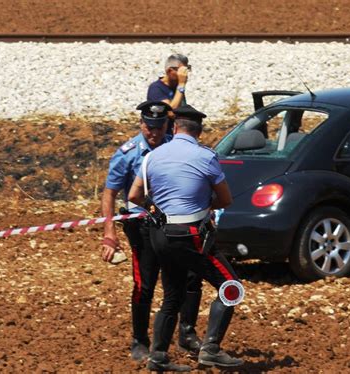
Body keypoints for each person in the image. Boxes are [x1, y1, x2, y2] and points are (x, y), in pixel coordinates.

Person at [129, 105, 245, 371]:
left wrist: (154, 206)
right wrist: (203, 202)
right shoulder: (206, 157)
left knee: (172, 296)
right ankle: (212, 349)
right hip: (191, 235)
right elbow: (225, 199)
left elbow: (134, 197)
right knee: (231, 287)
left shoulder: (152, 157)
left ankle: (157, 356)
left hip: (161, 236)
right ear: (199, 131)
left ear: (173, 128)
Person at [101, 100, 202, 362]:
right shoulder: (128, 153)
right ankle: (139, 340)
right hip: (142, 226)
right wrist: (109, 232)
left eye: (159, 127)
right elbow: (110, 193)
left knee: (189, 278)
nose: (154, 133)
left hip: (173, 224)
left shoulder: (174, 148)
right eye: (149, 127)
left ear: (168, 125)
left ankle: (186, 333)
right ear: (141, 124)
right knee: (144, 284)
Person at [147, 54, 190, 134]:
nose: (185, 74)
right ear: (170, 71)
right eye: (182, 71)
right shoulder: (156, 88)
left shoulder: (176, 87)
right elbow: (171, 112)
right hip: (161, 136)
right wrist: (181, 85)